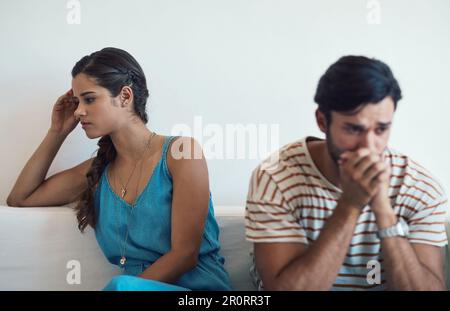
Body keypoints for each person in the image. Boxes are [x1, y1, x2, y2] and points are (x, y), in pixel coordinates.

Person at [7, 47, 231, 291]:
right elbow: (21, 198)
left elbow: (185, 254)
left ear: (125, 96)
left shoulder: (181, 153)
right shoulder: (97, 170)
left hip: (198, 291)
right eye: (77, 101)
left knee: (121, 285)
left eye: (89, 99)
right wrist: (57, 132)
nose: (79, 111)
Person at [245, 56, 448, 290]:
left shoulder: (421, 189)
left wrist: (383, 209)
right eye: (353, 129)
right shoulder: (276, 178)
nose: (368, 147)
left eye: (381, 129)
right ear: (322, 121)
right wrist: (350, 204)